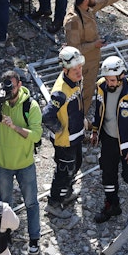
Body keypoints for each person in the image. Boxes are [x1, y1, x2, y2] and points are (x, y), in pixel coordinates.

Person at [0, 70, 43, 255]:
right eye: (6, 87)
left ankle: (34, 239)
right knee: (4, 203)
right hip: (1, 164)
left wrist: (14, 126)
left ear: (19, 85)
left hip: (25, 163)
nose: (9, 91)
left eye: (12, 87)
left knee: (31, 203)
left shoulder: (31, 106)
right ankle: (5, 235)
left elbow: (36, 135)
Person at [63, 0, 128, 108]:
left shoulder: (88, 8)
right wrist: (94, 45)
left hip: (92, 61)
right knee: (83, 95)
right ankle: (78, 123)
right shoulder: (74, 20)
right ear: (85, 0)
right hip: (83, 66)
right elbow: (73, 49)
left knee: (87, 93)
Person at [89, 56, 128, 223]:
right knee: (108, 174)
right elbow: (99, 110)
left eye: (112, 80)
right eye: (107, 79)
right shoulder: (101, 86)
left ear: (122, 76)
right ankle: (111, 205)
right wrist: (95, 131)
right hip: (108, 139)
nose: (109, 83)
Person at [41, 46, 88, 216]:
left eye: (80, 67)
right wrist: (60, 130)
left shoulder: (74, 81)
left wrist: (82, 120)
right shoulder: (60, 91)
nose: (78, 71)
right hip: (65, 141)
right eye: (74, 69)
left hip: (75, 136)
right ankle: (53, 203)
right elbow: (46, 116)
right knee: (64, 171)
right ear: (64, 69)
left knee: (76, 165)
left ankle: (66, 192)